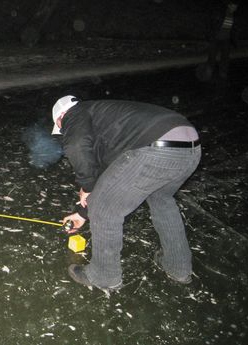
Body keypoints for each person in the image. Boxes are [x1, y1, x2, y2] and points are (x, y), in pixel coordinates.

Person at [51, 95, 201, 291]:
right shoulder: (108, 122)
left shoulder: (75, 113)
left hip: (156, 148)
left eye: (61, 128)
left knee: (105, 211)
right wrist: (82, 214)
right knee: (161, 199)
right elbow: (108, 182)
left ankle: (104, 276)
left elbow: (76, 145)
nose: (63, 133)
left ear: (61, 117)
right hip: (190, 148)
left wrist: (87, 187)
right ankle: (178, 267)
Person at [201, 1, 238, 81]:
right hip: (215, 38)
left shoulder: (233, 16)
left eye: (236, 7)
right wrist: (209, 36)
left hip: (226, 40)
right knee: (212, 57)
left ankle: (223, 74)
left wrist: (234, 41)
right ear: (229, 5)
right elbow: (211, 23)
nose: (235, 8)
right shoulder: (221, 13)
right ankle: (208, 74)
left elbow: (233, 29)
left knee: (225, 58)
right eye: (234, 6)